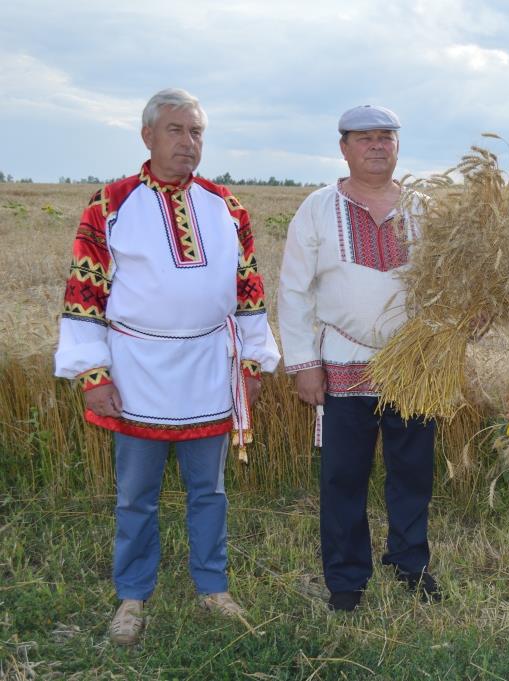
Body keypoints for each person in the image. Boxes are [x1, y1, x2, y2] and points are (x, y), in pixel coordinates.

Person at [54, 88, 280, 644]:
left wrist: (252, 359)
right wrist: (92, 374)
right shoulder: (109, 205)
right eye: (176, 130)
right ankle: (132, 598)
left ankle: (213, 588)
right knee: (136, 495)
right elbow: (86, 293)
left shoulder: (227, 207)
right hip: (136, 374)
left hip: (209, 367)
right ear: (148, 136)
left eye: (197, 132)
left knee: (210, 491)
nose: (188, 143)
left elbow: (248, 287)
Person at [277, 105, 441, 612]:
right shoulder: (319, 208)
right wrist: (304, 364)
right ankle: (347, 580)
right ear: (343, 147)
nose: (376, 146)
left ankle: (410, 564)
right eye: (364, 138)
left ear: (398, 147)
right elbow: (294, 289)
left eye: (385, 138)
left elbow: (452, 281)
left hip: (414, 366)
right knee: (343, 477)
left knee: (413, 471)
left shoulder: (424, 207)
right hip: (342, 362)